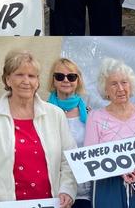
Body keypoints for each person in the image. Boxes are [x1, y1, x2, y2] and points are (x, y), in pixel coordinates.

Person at [0, 50, 76, 208]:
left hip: (50, 203)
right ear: (7, 79)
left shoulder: (55, 114)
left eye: (32, 76)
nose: (26, 81)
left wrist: (67, 189)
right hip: (4, 204)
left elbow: (68, 160)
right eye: (19, 74)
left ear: (37, 81)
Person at [84, 58, 135, 208]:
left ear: (131, 85)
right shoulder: (95, 117)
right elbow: (90, 158)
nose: (120, 88)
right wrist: (119, 171)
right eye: (113, 84)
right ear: (105, 89)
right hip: (108, 185)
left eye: (124, 82)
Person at [47, 58, 91, 208]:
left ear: (78, 80)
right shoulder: (42, 113)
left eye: (71, 76)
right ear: (53, 80)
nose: (66, 80)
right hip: (54, 191)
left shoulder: (90, 114)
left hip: (85, 190)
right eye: (60, 76)